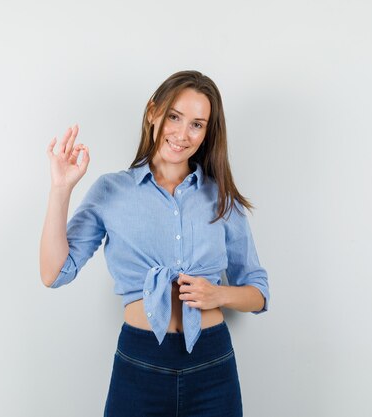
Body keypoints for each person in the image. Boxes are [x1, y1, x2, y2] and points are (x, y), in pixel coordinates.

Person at [39, 70, 270, 417]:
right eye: (174, 117)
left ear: (207, 133)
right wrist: (61, 190)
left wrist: (218, 294)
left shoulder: (221, 197)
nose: (182, 133)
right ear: (153, 112)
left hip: (212, 365)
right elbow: (54, 273)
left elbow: (258, 292)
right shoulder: (111, 191)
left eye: (197, 124)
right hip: (139, 363)